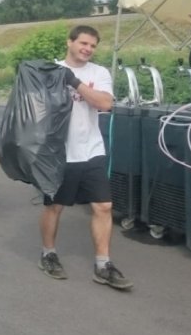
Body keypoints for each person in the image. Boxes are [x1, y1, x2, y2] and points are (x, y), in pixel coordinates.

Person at [38, 25, 133, 290]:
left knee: (103, 206)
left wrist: (75, 82)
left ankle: (103, 265)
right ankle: (48, 254)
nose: (87, 49)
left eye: (92, 45)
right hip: (59, 153)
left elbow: (105, 104)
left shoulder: (98, 73)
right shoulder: (50, 70)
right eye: (83, 43)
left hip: (92, 149)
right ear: (69, 42)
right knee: (54, 207)